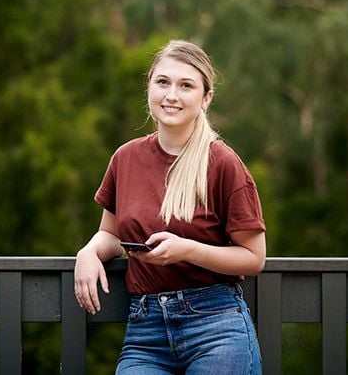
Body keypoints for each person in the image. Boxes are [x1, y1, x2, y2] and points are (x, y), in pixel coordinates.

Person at [74, 40, 266, 374]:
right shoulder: (125, 158)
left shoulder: (222, 163)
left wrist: (187, 250)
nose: (171, 95)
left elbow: (253, 258)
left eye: (186, 85)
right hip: (144, 331)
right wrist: (88, 254)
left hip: (215, 326)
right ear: (149, 88)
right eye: (162, 82)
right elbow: (112, 234)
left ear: (206, 99)